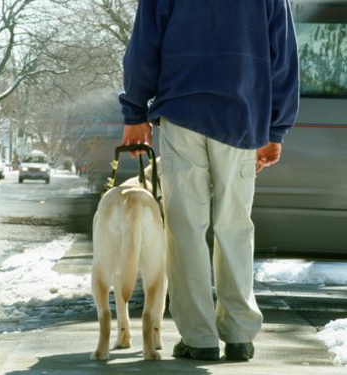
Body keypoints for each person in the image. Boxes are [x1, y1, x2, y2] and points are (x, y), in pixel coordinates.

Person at [119, 0, 299, 361]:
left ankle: (199, 338)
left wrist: (135, 111)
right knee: (234, 225)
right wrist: (276, 127)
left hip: (182, 112)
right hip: (242, 117)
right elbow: (283, 55)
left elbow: (144, 45)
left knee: (185, 227)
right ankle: (239, 334)